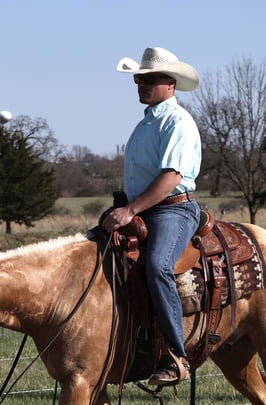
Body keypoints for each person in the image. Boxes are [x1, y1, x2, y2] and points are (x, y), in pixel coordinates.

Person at [101, 47, 202, 386]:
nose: (141, 85)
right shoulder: (146, 122)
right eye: (138, 79)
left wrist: (129, 209)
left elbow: (171, 176)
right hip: (145, 207)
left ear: (170, 83)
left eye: (149, 79)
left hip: (174, 208)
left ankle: (176, 355)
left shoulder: (177, 122)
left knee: (158, 266)